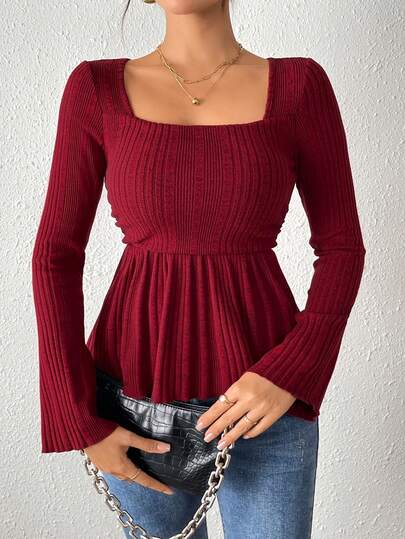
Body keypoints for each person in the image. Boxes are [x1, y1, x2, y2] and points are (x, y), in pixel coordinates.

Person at [31, 1, 366, 537]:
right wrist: (77, 417)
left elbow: (343, 248)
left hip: (267, 399)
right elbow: (56, 256)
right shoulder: (95, 89)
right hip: (133, 401)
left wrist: (292, 371)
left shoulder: (300, 87)